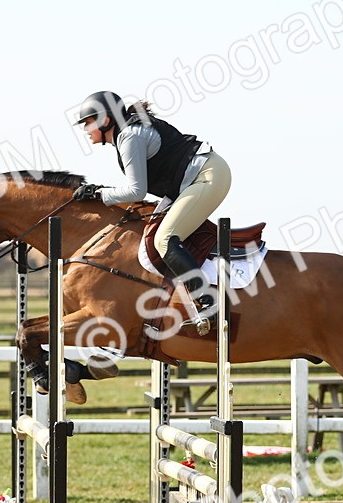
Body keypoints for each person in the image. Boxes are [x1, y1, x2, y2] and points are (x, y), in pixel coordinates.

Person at [72, 91, 231, 334]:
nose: (85, 129)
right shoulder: (127, 133)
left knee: (164, 240)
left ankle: (209, 303)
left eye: (88, 122)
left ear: (105, 121)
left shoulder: (129, 136)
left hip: (206, 177)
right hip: (191, 181)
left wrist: (99, 194)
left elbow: (136, 191)